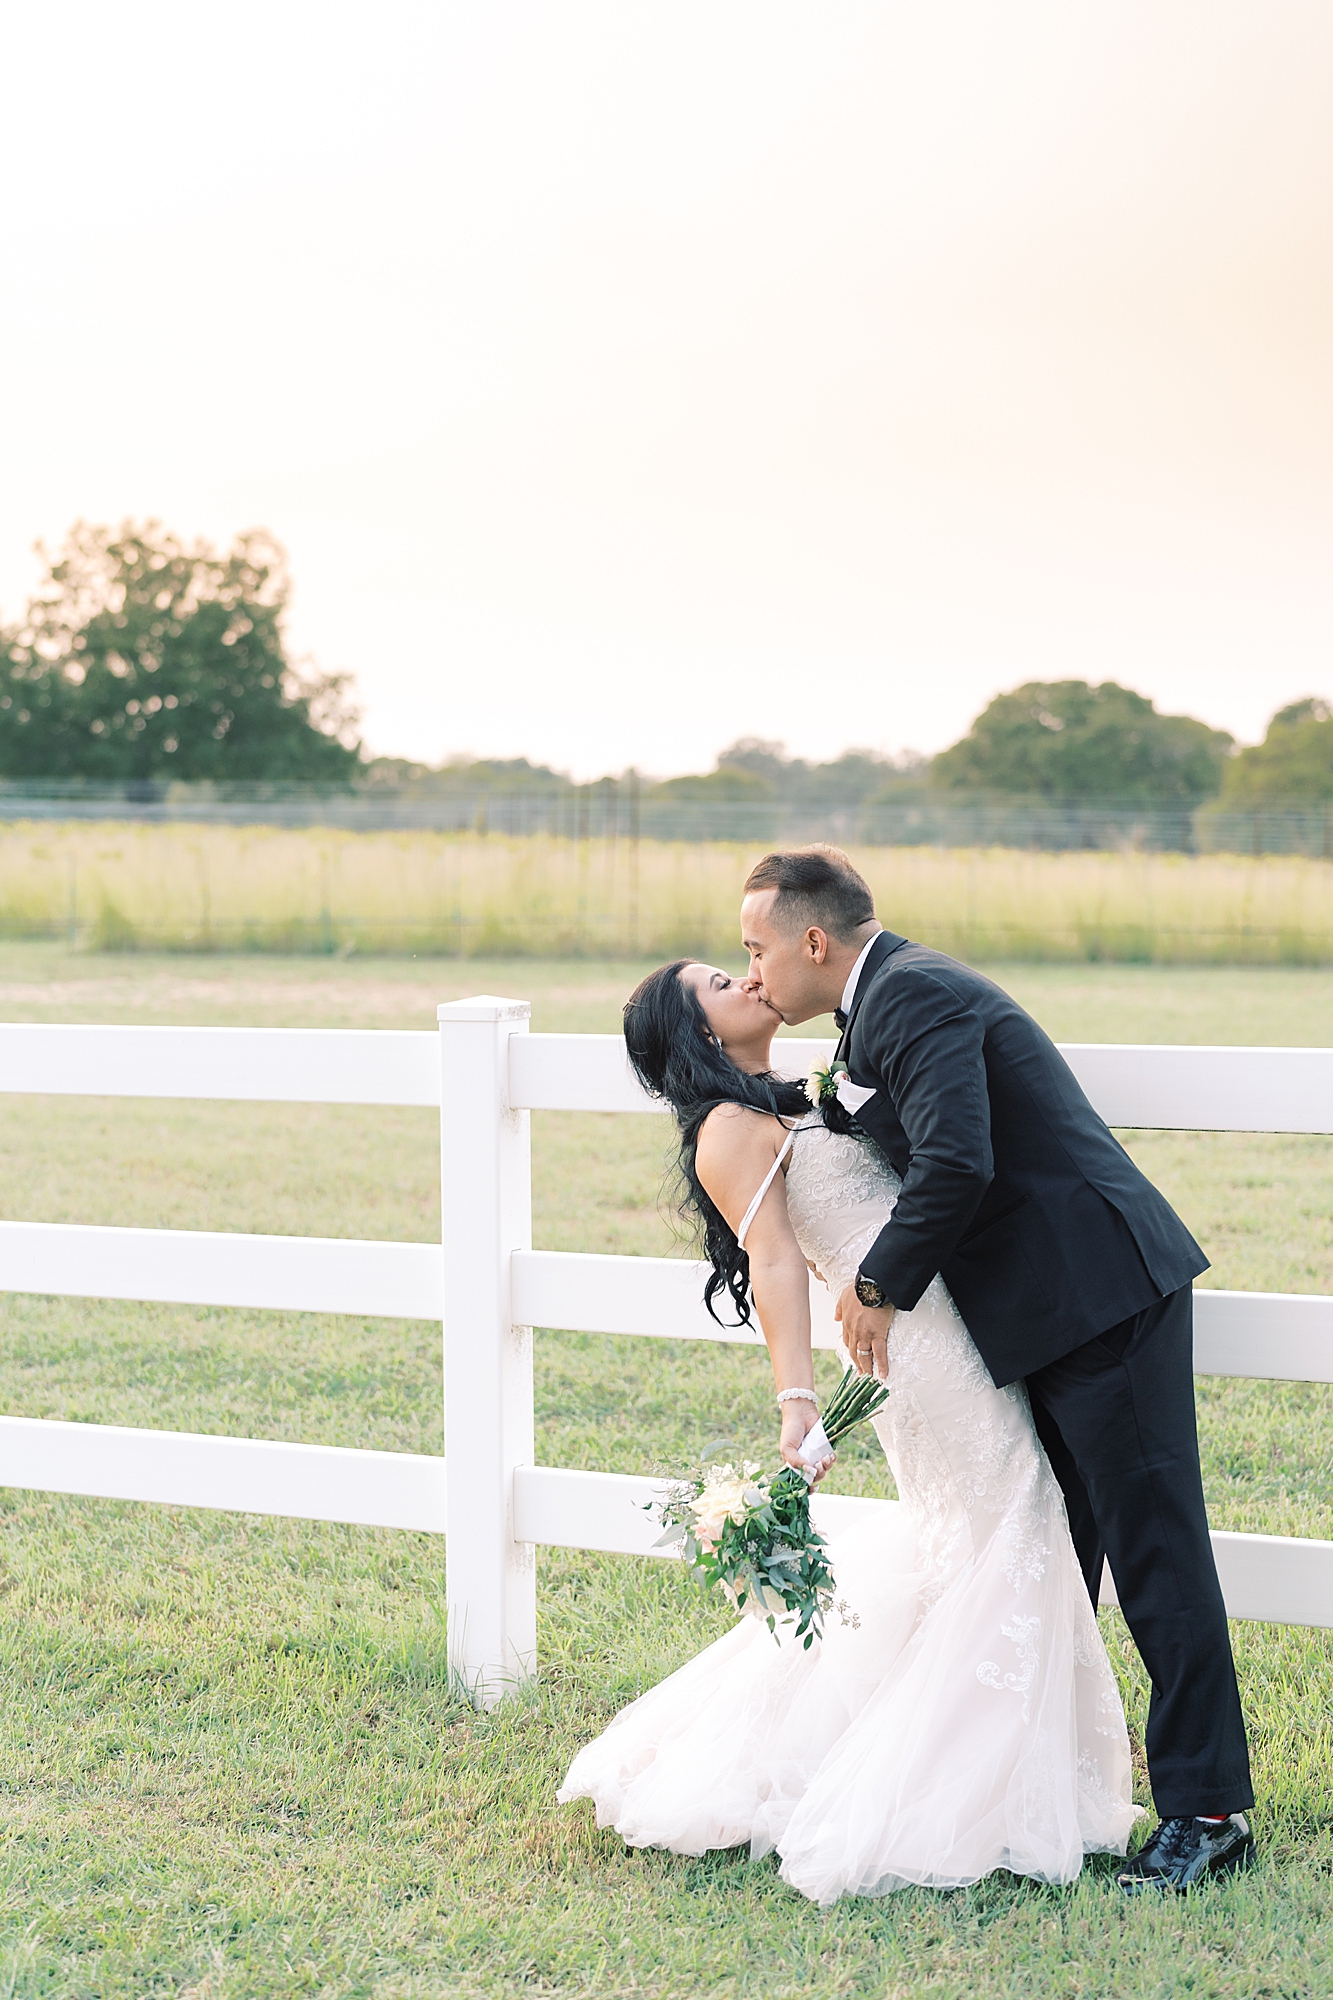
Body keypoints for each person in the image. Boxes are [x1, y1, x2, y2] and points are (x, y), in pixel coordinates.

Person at [558, 951, 1142, 1903]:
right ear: (697, 1033)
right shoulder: (728, 1128)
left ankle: (982, 1760)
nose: (747, 981)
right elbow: (778, 1266)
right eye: (719, 982)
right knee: (1013, 1514)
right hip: (909, 1340)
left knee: (977, 1530)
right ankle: (975, 1788)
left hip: (945, 1314)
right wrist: (796, 1403)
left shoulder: (794, 1093)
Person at [736, 845, 1254, 1894]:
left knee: (1155, 1550)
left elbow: (958, 1159)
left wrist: (875, 1286)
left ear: (813, 940)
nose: (752, 971)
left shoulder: (914, 995)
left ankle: (1208, 1811)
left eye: (757, 948)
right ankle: (1045, 1782)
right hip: (1041, 1310)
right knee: (1062, 1549)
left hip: (1099, 1290)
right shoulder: (876, 1008)